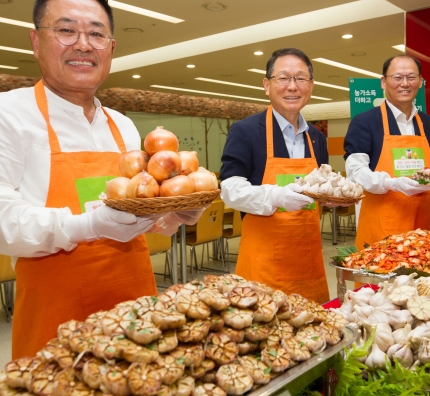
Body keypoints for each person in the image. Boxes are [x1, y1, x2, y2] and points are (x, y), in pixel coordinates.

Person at [0, 0, 202, 359]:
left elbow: (135, 216)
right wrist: (89, 224)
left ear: (111, 48)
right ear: (35, 40)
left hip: (135, 311)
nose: (83, 44)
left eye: (96, 33)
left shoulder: (122, 125)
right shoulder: (10, 114)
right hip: (55, 318)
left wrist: (171, 217)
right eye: (65, 30)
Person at [220, 48, 330, 304]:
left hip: (308, 263)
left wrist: (331, 198)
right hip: (263, 267)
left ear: (311, 86)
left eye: (300, 78)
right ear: (267, 86)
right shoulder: (246, 131)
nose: (292, 86)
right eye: (283, 78)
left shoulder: (317, 138)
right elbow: (230, 190)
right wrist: (276, 195)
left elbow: (319, 190)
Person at [344, 54, 430, 247]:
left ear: (420, 82)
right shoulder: (365, 122)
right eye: (397, 77)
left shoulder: (428, 123)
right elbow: (356, 173)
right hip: (383, 225)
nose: (405, 83)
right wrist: (394, 184)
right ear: (383, 83)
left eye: (411, 77)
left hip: (423, 225)